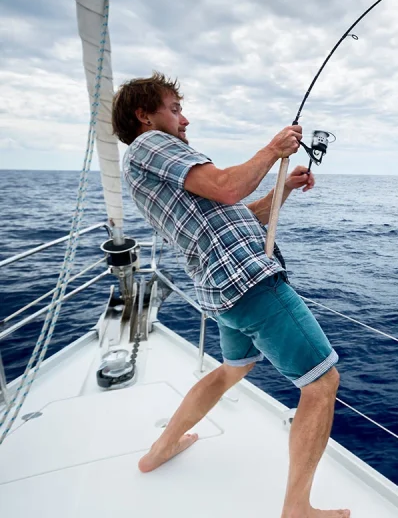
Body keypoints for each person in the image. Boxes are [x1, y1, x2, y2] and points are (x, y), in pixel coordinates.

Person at [112, 72, 349, 518]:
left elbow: (242, 214)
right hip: (249, 283)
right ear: (144, 116)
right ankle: (297, 508)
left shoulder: (160, 167)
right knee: (322, 383)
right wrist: (272, 149)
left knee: (230, 371)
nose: (185, 119)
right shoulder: (150, 146)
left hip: (221, 291)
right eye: (174, 109)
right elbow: (227, 186)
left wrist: (285, 185)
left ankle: (160, 450)